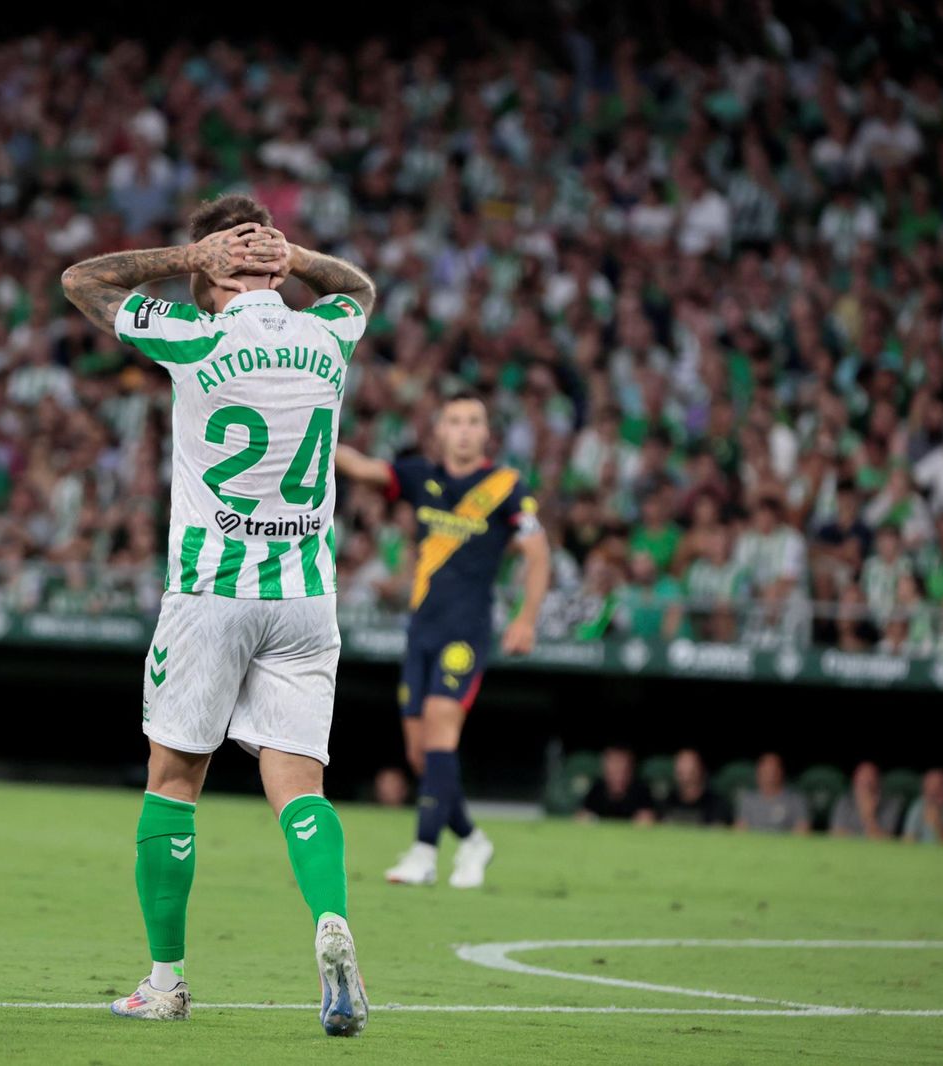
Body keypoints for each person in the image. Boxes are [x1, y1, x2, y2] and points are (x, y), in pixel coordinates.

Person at [61, 194, 374, 1034]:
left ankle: (166, 983)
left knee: (174, 782)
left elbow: (81, 281)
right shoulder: (328, 334)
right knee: (300, 786)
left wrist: (186, 256)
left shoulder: (194, 336)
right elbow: (360, 289)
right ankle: (330, 919)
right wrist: (297, 259)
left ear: (211, 275)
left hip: (212, 593)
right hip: (306, 598)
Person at [335, 393, 550, 888]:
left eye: (474, 421)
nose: (465, 430)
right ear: (439, 431)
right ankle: (472, 840)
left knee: (440, 730)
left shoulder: (506, 486)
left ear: (487, 433)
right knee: (421, 755)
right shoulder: (418, 476)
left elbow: (538, 554)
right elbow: (363, 468)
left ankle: (424, 852)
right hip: (422, 630)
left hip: (466, 631)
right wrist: (311, 431)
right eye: (455, 421)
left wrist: (526, 618)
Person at [735, 752, 812, 834]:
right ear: (758, 773)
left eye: (774, 771)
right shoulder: (748, 800)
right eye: (765, 771)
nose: (770, 776)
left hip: (785, 842)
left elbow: (802, 830)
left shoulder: (796, 800)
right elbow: (740, 830)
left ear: (781, 772)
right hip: (753, 842)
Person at [576, 746, 656, 824]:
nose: (619, 777)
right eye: (614, 772)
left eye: (624, 771)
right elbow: (583, 815)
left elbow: (649, 817)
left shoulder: (641, 790)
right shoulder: (597, 789)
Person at [829, 761, 902, 839]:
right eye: (861, 780)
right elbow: (836, 834)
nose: (866, 784)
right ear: (854, 781)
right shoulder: (845, 801)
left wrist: (868, 816)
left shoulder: (892, 804)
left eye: (870, 780)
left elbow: (884, 840)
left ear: (878, 782)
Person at [660, 748, 732, 826]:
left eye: (691, 771)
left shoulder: (717, 804)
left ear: (700, 769)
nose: (685, 777)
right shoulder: (668, 801)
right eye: (680, 772)